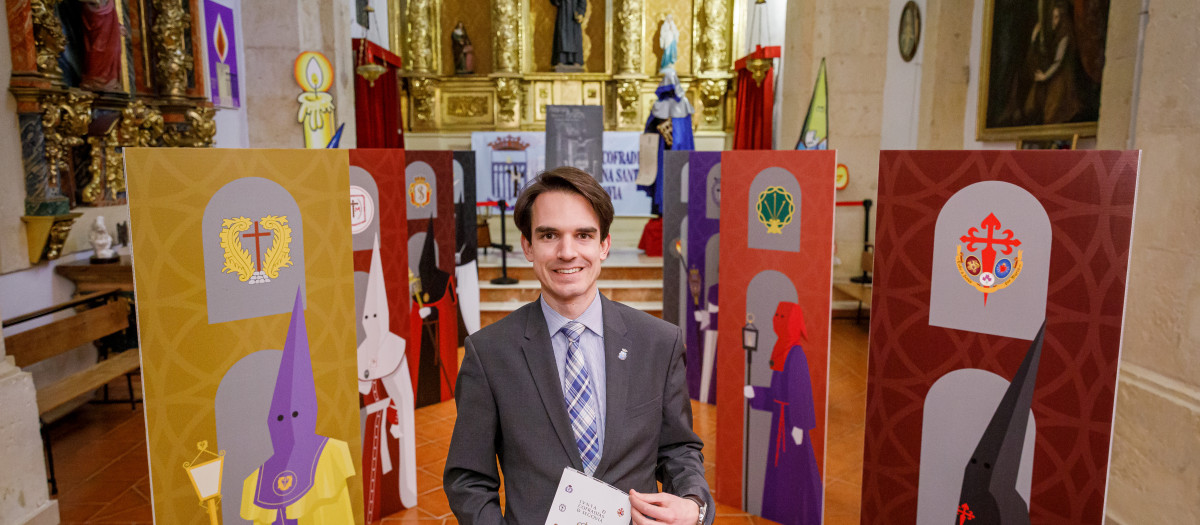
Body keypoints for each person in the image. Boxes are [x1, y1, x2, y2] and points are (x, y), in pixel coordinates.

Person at [445, 166, 714, 525]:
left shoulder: (658, 343)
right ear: (527, 246)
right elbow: (468, 479)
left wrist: (694, 505)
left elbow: (679, 449)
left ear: (604, 244)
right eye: (549, 235)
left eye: (584, 235)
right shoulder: (489, 354)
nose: (567, 252)